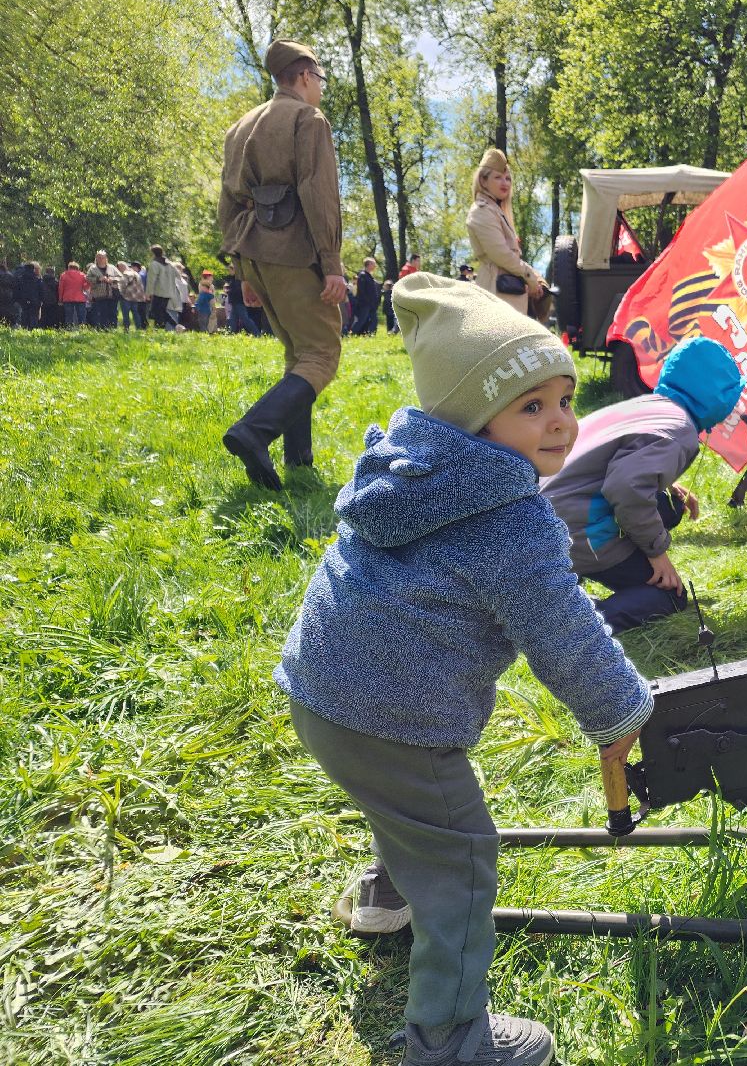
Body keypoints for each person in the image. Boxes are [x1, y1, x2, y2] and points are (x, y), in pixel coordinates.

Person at [276, 273, 650, 1066]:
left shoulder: (411, 470)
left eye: (563, 399)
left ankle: (384, 899)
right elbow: (565, 632)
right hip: (392, 716)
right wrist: (621, 710)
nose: (560, 424)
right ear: (474, 417)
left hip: (319, 689)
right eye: (531, 407)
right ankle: (449, 1040)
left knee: (401, 807)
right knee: (462, 857)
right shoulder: (508, 517)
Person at [540, 336, 744, 632]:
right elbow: (625, 487)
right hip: (576, 531)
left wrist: (669, 489)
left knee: (670, 507)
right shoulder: (679, 431)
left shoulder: (649, 405)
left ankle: (562, 582)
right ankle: (570, 625)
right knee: (669, 596)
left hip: (543, 515)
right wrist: (657, 554)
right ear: (720, 401)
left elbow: (614, 462)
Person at [218, 39, 347, 489]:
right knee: (321, 355)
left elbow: (228, 204)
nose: (320, 90)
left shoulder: (241, 126)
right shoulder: (308, 119)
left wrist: (242, 269)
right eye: (320, 80)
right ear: (306, 75)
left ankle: (299, 460)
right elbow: (319, 193)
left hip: (253, 251)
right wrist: (332, 262)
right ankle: (253, 432)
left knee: (298, 356)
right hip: (293, 252)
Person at [466, 148, 548, 318]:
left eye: (508, 178)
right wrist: (530, 277)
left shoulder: (495, 210)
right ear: (483, 180)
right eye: (498, 177)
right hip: (496, 292)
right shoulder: (482, 211)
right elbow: (501, 255)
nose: (505, 183)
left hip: (508, 292)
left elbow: (511, 257)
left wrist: (536, 278)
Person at [146, 245, 182, 329]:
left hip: (159, 292)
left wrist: (148, 293)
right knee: (161, 311)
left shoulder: (155, 264)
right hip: (169, 292)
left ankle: (174, 325)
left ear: (153, 254)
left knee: (157, 312)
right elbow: (178, 275)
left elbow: (151, 280)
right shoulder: (170, 264)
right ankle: (163, 328)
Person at [85, 251, 122, 328]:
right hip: (99, 295)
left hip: (112, 294)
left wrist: (112, 279)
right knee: (102, 314)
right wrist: (98, 279)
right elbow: (87, 278)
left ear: (106, 258)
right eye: (99, 257)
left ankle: (113, 329)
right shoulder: (92, 268)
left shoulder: (112, 267)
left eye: (103, 257)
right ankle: (103, 330)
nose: (101, 259)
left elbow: (121, 277)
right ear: (96, 259)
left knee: (113, 313)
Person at [351, 256, 380, 334]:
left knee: (374, 320)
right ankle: (352, 333)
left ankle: (371, 334)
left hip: (371, 303)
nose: (375, 266)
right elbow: (362, 291)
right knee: (362, 320)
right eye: (373, 264)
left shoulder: (369, 276)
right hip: (365, 303)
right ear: (369, 264)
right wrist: (367, 301)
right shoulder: (363, 275)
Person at [118, 260, 148, 330]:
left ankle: (126, 329)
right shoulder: (136, 273)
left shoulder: (126, 274)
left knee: (126, 315)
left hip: (127, 297)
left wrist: (121, 294)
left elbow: (122, 285)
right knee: (136, 314)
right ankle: (138, 328)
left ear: (121, 268)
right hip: (136, 298)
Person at [13, 260, 42, 329]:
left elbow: (17, 291)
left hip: (23, 301)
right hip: (35, 301)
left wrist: (17, 300)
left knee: (24, 315)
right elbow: (40, 292)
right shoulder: (37, 279)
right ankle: (33, 330)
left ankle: (24, 329)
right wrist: (40, 301)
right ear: (33, 269)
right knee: (33, 317)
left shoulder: (20, 279)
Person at [59, 262, 89, 326]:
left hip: (67, 298)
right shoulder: (82, 275)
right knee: (81, 316)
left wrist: (60, 299)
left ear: (69, 267)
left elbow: (61, 288)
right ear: (77, 268)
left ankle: (69, 329)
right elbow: (86, 287)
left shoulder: (63, 275)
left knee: (68, 316)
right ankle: (82, 329)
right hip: (80, 298)